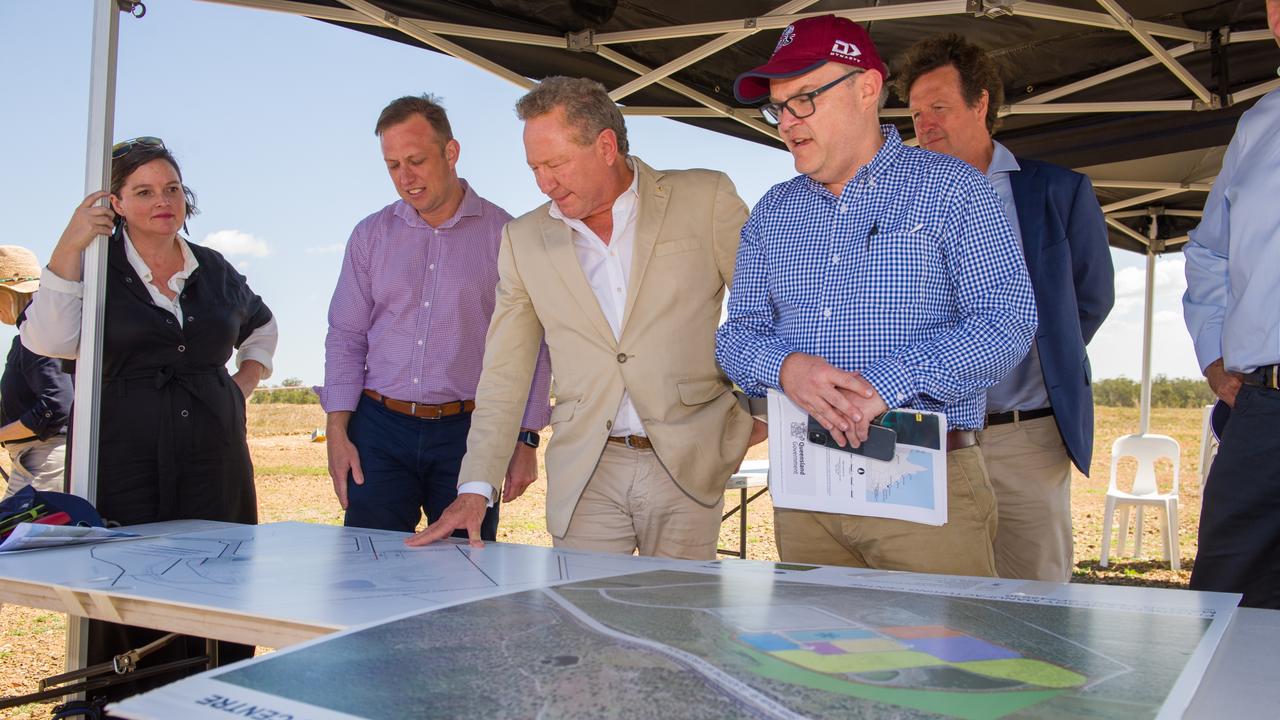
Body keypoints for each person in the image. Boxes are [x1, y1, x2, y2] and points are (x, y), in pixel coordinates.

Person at [717, 15, 1037, 575]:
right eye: (777, 108)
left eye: (804, 100)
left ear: (867, 88)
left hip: (922, 485)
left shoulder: (953, 189)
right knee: (818, 658)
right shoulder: (774, 211)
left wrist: (887, 386)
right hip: (807, 493)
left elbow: (1006, 321)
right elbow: (736, 336)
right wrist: (787, 367)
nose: (787, 123)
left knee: (940, 658)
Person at [409, 76, 764, 559]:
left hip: (689, 464)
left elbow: (768, 306)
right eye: (534, 167)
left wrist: (762, 411)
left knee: (682, 622)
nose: (544, 182)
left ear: (605, 146)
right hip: (587, 470)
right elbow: (505, 371)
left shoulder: (705, 197)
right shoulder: (523, 239)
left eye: (556, 163)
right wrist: (476, 486)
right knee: (586, 625)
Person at [22, 136, 277, 699]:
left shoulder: (213, 267)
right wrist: (70, 244)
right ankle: (128, 705)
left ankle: (219, 701)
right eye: (144, 191)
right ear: (115, 203)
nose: (164, 200)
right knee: (129, 582)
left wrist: (244, 383)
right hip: (126, 451)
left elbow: (260, 324)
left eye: (172, 189)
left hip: (215, 453)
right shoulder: (94, 263)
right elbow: (47, 338)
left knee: (220, 576)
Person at [897, 34, 1115, 582]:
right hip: (930, 437)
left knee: (1037, 601)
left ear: (981, 103)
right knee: (939, 600)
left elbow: (1091, 297)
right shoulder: (898, 201)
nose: (925, 125)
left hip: (1026, 437)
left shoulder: (1057, 192)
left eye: (939, 108)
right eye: (917, 113)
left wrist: (1030, 349)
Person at [320, 95, 551, 538]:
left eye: (416, 160)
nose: (406, 178)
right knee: (369, 570)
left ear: (451, 152)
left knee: (464, 575)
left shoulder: (508, 237)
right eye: (392, 166)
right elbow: (346, 335)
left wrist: (526, 438)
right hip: (379, 432)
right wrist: (337, 429)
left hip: (470, 436)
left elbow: (535, 346)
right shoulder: (370, 236)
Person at [1181, 0, 1280, 610]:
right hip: (1263, 415)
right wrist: (1215, 356)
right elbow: (1208, 252)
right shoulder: (1261, 125)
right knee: (1222, 615)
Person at [0, 246, 72, 498]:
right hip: (35, 460)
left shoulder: (37, 335)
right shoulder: (34, 331)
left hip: (44, 462)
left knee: (24, 536)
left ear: (11, 292)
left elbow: (56, 407)